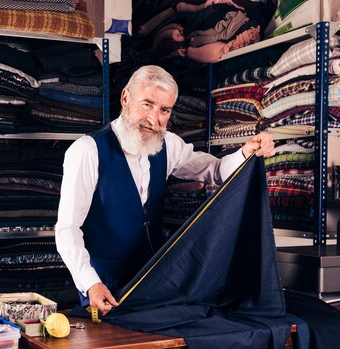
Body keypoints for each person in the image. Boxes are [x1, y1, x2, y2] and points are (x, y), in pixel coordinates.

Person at [55, 65, 275, 315]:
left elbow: (215, 171)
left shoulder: (168, 145)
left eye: (164, 110)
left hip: (153, 288)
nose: (154, 119)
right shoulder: (87, 150)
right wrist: (90, 284)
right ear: (125, 97)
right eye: (147, 104)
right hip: (104, 290)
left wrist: (246, 152)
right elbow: (67, 229)